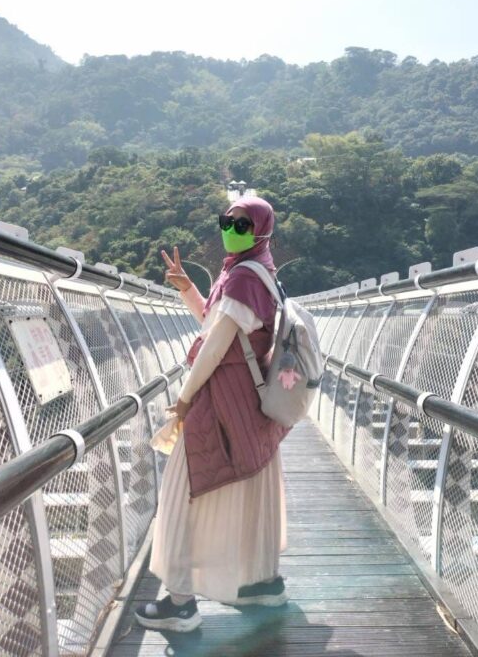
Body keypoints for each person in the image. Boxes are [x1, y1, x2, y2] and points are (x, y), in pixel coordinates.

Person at [134, 195, 290, 633]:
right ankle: (263, 582)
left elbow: (215, 347)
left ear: (260, 230)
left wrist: (182, 401)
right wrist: (187, 287)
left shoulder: (242, 277)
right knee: (250, 481)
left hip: (222, 398)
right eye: (227, 221)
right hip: (251, 401)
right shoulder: (257, 272)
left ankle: (180, 603)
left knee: (187, 487)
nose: (231, 228)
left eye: (241, 224)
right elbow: (217, 323)